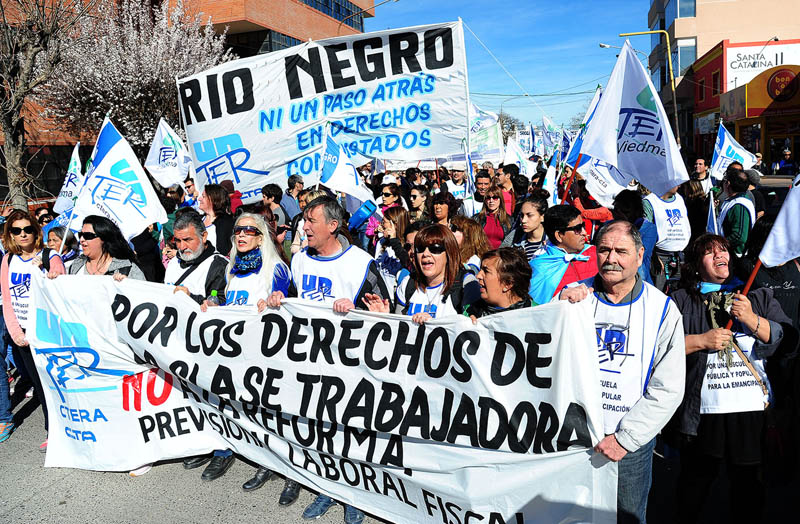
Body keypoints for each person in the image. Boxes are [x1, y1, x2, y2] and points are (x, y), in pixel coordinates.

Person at [265, 196, 389, 523]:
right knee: (320, 428)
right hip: (309, 360)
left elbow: (385, 313)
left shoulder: (361, 262)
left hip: (351, 363)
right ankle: (329, 487)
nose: (303, 227)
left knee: (351, 431)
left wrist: (359, 309)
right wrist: (280, 297)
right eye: (303, 221)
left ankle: (356, 495)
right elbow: (292, 298)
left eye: (311, 222)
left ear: (333, 226)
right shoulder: (301, 260)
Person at [560, 221, 686, 524]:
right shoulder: (574, 299)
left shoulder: (662, 310)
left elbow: (668, 387)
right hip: (573, 438)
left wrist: (626, 438)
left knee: (625, 518)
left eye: (621, 251)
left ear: (640, 256)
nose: (611, 258)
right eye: (603, 250)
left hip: (626, 446)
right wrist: (560, 307)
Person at [668, 234, 791, 523]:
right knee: (694, 486)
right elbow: (659, 348)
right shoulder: (680, 300)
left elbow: (788, 341)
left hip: (749, 415)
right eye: (710, 253)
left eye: (723, 250)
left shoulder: (756, 296)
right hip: (701, 413)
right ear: (697, 265)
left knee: (748, 488)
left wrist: (751, 320)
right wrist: (700, 341)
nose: (720, 255)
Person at [205, 213, 292, 499]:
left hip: (265, 353)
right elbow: (226, 300)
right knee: (230, 401)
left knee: (265, 409)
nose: (241, 235)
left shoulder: (276, 268)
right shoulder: (232, 268)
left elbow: (283, 303)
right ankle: (225, 448)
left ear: (260, 237)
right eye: (238, 231)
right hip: (233, 351)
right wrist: (213, 303)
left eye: (249, 231)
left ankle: (269, 461)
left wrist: (273, 302)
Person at [0, 210, 65, 448]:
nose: (23, 234)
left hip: (46, 330)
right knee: (39, 384)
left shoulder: (50, 255)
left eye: (28, 229)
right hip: (23, 332)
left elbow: (60, 283)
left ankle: (63, 430)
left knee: (54, 382)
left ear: (36, 231)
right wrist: (16, 333)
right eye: (16, 230)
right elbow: (7, 300)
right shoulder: (8, 260)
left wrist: (48, 272)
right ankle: (52, 430)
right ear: (10, 235)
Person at [363, 224, 479, 323]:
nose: (426, 254)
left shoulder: (466, 283)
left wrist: (434, 325)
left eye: (435, 248)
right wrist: (384, 317)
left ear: (449, 252)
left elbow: (472, 328)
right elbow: (399, 328)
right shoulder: (408, 282)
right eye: (420, 249)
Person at [528, 204, 598, 305]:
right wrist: (559, 298)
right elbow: (535, 309)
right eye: (578, 229)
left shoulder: (597, 254)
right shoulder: (538, 268)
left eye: (583, 226)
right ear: (559, 235)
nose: (584, 232)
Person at [643, 185, 691, 289]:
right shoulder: (650, 201)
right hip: (660, 257)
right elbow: (646, 233)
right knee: (659, 291)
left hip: (680, 256)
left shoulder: (679, 198)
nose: (679, 185)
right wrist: (653, 256)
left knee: (679, 292)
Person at [465, 248, 533, 321]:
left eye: (486, 271)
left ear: (508, 283)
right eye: (480, 270)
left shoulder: (538, 317)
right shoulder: (469, 313)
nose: (478, 276)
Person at [68, 216, 146, 280]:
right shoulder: (75, 265)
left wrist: (128, 285)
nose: (81, 239)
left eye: (88, 236)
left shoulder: (128, 269)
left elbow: (144, 296)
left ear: (104, 238)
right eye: (80, 234)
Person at [611, 190, 657, 286]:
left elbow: (636, 256)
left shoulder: (648, 228)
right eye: (615, 210)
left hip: (638, 279)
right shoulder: (608, 226)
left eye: (625, 212)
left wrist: (625, 226)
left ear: (636, 211)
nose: (618, 215)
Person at [373, 207, 411, 300]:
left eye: (384, 222)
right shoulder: (381, 242)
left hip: (397, 296)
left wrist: (394, 240)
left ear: (395, 224)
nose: (381, 225)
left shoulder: (407, 246)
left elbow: (408, 264)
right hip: (381, 296)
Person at [501, 190, 549, 261]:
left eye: (529, 215)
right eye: (522, 215)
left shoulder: (552, 242)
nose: (523, 220)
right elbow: (499, 258)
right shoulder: (515, 235)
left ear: (542, 217)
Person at [717, 166, 755, 256]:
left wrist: (720, 245)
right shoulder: (733, 201)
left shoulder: (739, 205)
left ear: (728, 184)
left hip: (736, 256)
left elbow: (739, 236)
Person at [197, 183, 234, 256]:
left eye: (203, 196)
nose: (199, 199)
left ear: (213, 199)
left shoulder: (227, 222)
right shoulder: (197, 220)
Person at [475, 184, 511, 249]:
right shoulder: (477, 219)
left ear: (500, 200)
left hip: (501, 256)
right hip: (483, 255)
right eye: (488, 198)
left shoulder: (509, 220)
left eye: (495, 198)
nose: (491, 201)